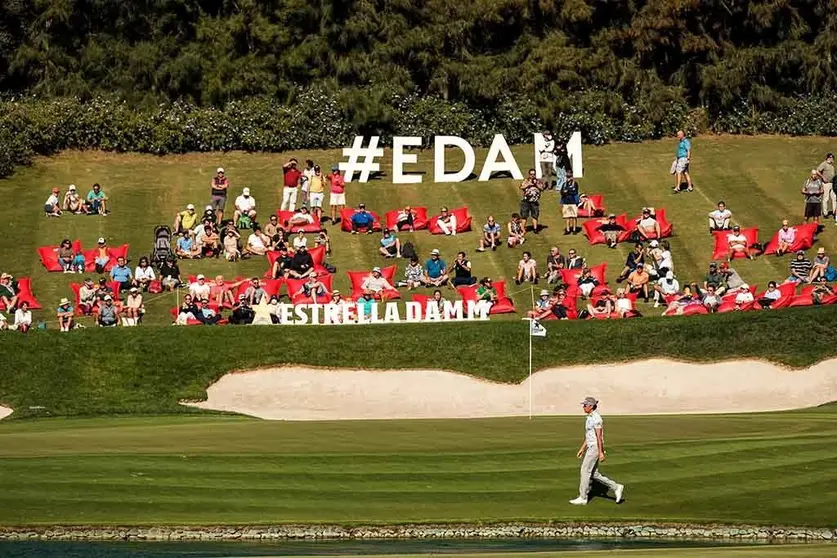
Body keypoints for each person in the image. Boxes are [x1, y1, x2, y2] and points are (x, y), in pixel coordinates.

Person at [570, 396, 624, 506]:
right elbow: (589, 436)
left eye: (585, 405)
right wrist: (582, 448)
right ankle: (616, 487)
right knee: (594, 473)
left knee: (585, 471)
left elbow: (599, 437)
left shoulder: (596, 418)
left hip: (595, 448)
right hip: (591, 446)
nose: (583, 407)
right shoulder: (589, 417)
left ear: (591, 406)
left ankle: (583, 497)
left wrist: (600, 452)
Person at [520, 168, 546, 233]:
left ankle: (535, 229)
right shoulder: (526, 181)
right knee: (524, 215)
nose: (532, 175)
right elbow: (521, 187)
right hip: (526, 201)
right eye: (531, 174)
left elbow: (542, 188)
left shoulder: (538, 181)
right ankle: (522, 229)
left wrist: (536, 184)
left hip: (534, 201)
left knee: (535, 215)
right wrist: (528, 184)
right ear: (529, 175)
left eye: (534, 174)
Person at [816, 153, 835, 218]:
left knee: (834, 198)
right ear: (827, 158)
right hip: (826, 184)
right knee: (826, 198)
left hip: (832, 183)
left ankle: (834, 212)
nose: (831, 159)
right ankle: (825, 213)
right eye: (830, 158)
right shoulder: (824, 164)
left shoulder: (832, 166)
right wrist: (823, 177)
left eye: (832, 158)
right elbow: (817, 171)